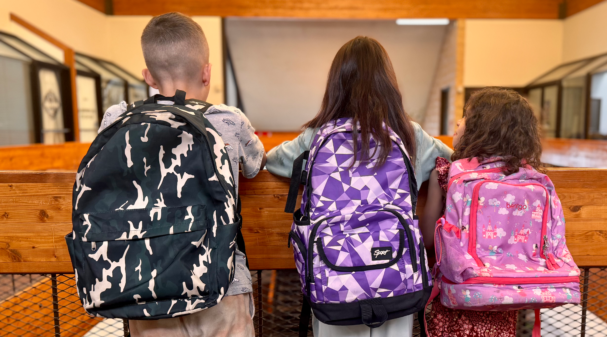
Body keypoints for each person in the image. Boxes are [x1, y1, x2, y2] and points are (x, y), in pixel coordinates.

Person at [265, 36, 452, 337]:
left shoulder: (316, 136)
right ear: (388, 83)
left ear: (336, 84)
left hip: (334, 277)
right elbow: (453, 163)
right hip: (394, 274)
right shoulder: (410, 134)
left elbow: (271, 162)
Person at [97, 12, 265, 337]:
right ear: (207, 72)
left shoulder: (117, 118)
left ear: (148, 76)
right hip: (222, 283)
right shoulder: (229, 120)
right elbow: (256, 164)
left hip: (145, 286)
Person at [419, 87, 544, 337]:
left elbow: (429, 239)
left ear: (482, 128)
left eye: (466, 116)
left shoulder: (446, 174)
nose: (458, 121)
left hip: (456, 298)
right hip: (505, 297)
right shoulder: (526, 178)